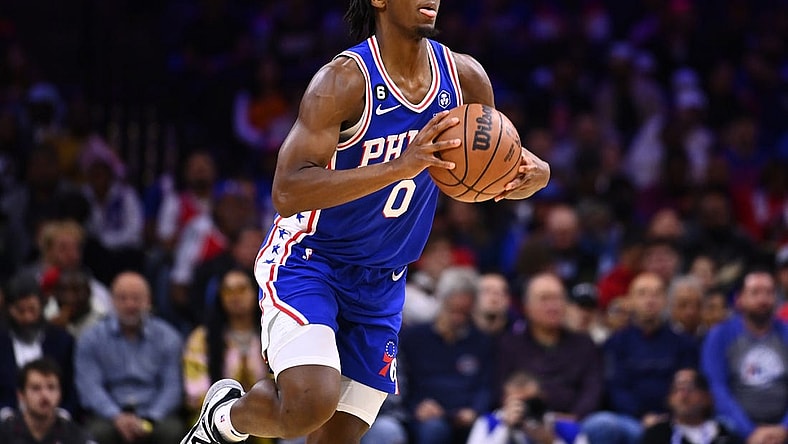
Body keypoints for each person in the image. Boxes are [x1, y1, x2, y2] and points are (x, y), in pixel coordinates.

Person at [180, 1, 551, 443]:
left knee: (338, 437)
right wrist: (400, 165)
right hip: (312, 261)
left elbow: (494, 169)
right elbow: (287, 192)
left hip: (383, 279)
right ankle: (223, 420)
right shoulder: (342, 82)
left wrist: (532, 177)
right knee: (308, 404)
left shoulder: (465, 78)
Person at [581, 271, 698, 444]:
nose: (649, 300)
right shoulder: (615, 343)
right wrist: (643, 416)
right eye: (642, 294)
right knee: (601, 424)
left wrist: (667, 417)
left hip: (675, 419)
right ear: (630, 300)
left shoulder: (684, 343)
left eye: (656, 294)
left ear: (666, 300)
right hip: (630, 420)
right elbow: (615, 388)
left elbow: (688, 385)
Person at [74, 272, 184, 444]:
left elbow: (172, 387)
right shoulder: (91, 338)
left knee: (172, 431)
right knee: (96, 433)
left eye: (136, 298)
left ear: (148, 301)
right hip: (109, 415)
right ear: (111, 301)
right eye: (122, 298)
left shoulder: (169, 337)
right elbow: (90, 387)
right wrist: (116, 416)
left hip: (154, 414)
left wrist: (149, 419)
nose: (130, 304)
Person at [399, 266, 493, 444]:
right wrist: (416, 407)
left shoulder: (481, 341)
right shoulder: (414, 338)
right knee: (434, 429)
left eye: (464, 312)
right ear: (441, 302)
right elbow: (404, 382)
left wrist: (475, 410)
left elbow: (485, 384)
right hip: (428, 415)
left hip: (466, 415)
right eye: (453, 310)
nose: (458, 318)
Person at [701, 269, 788, 443]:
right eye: (755, 293)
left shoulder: (785, 334)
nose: (763, 299)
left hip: (782, 425)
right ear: (739, 299)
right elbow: (716, 388)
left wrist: (784, 429)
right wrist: (749, 431)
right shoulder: (720, 335)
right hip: (735, 426)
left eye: (769, 293)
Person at [0, 271, 76, 414]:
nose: (28, 317)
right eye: (20, 311)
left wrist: (63, 414)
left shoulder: (62, 340)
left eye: (32, 310)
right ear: (9, 310)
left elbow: (72, 388)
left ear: (41, 307)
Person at [0, 358, 96, 444]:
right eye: (36, 388)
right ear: (21, 395)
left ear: (60, 393)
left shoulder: (76, 435)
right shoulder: (5, 433)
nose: (45, 395)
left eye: (51, 388)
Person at [639, 368, 743, 444]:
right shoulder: (657, 435)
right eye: (677, 389)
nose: (683, 396)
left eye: (690, 388)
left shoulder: (723, 434)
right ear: (669, 399)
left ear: (707, 397)